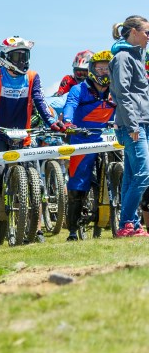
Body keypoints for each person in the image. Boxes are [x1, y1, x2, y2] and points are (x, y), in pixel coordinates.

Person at [0, 37, 62, 238]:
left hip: (24, 136)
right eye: (17, 56)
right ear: (5, 57)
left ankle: (36, 228)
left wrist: (52, 122)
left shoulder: (32, 77)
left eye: (25, 56)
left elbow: (40, 101)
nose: (22, 60)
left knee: (35, 182)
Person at [61, 51, 117, 239]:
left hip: (109, 138)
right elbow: (70, 105)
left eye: (107, 68)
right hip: (82, 139)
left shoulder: (116, 89)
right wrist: (68, 122)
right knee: (78, 184)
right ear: (92, 70)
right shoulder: (79, 89)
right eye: (99, 68)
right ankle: (73, 230)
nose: (103, 72)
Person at [109, 16, 149, 236]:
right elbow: (123, 94)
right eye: (146, 33)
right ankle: (127, 223)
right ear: (133, 32)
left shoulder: (137, 56)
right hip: (133, 126)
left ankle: (129, 225)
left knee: (133, 176)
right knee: (144, 175)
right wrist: (133, 126)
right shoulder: (123, 57)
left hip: (142, 123)